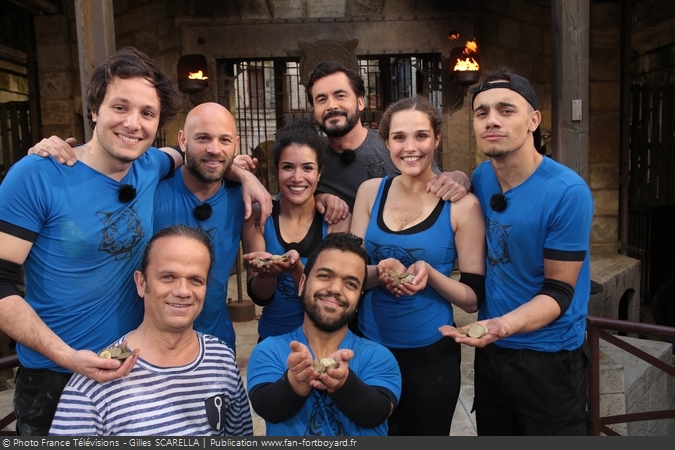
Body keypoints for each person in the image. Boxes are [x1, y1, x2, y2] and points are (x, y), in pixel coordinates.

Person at [0, 47, 183, 435]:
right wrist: (67, 357)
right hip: (54, 378)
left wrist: (245, 173)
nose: (134, 123)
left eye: (147, 113)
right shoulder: (36, 175)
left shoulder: (151, 165)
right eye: (120, 107)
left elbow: (189, 154)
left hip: (132, 367)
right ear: (95, 110)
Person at [440, 69, 594, 436]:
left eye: (506, 110)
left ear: (533, 121)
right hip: (493, 353)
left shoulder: (566, 192)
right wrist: (460, 176)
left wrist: (500, 325)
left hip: (548, 356)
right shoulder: (481, 176)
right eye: (482, 113)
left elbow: (559, 293)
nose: (492, 120)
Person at [350, 95, 486, 436]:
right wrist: (378, 273)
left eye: (421, 136)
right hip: (369, 346)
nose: (410, 147)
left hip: (431, 356)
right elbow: (350, 274)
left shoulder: (462, 206)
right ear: (385, 142)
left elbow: (473, 298)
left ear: (437, 138)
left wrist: (432, 274)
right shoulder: (369, 192)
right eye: (399, 137)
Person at [49, 225, 253, 436]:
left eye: (195, 280)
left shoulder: (221, 358)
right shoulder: (94, 382)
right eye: (168, 277)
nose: (183, 291)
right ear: (141, 282)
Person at [246, 232, 402, 436]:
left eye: (351, 284)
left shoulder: (378, 357)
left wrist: (344, 384)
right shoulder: (270, 350)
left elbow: (376, 413)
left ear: (358, 299)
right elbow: (267, 408)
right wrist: (295, 382)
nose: (336, 288)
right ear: (302, 284)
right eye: (325, 276)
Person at [306, 60, 472, 222]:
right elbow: (288, 200)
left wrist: (460, 178)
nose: (331, 105)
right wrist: (316, 199)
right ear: (314, 111)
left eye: (340, 95)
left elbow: (439, 185)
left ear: (360, 101)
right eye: (321, 99)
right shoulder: (309, 156)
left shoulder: (395, 147)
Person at [242, 119, 351, 341]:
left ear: (319, 173)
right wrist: (266, 272)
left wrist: (294, 269)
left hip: (324, 344)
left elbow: (332, 295)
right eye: (288, 167)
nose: (297, 177)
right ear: (276, 171)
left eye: (307, 168)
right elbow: (260, 297)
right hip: (273, 342)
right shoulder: (258, 217)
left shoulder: (336, 219)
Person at [152, 102, 247, 350]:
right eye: (203, 138)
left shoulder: (244, 198)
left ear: (236, 145)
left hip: (217, 344)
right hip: (152, 347)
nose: (214, 149)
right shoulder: (151, 188)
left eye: (224, 140)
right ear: (182, 140)